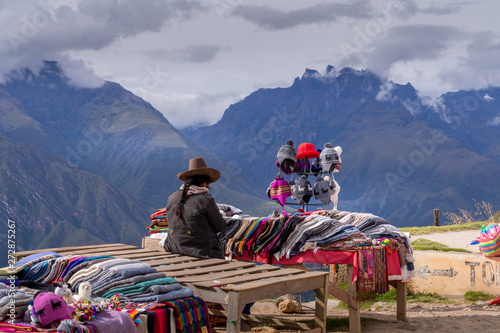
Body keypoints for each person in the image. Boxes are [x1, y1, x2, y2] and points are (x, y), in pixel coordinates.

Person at [164, 157, 226, 259]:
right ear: (204, 183)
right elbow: (219, 226)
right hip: (202, 252)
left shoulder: (172, 197)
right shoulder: (205, 199)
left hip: (175, 248)